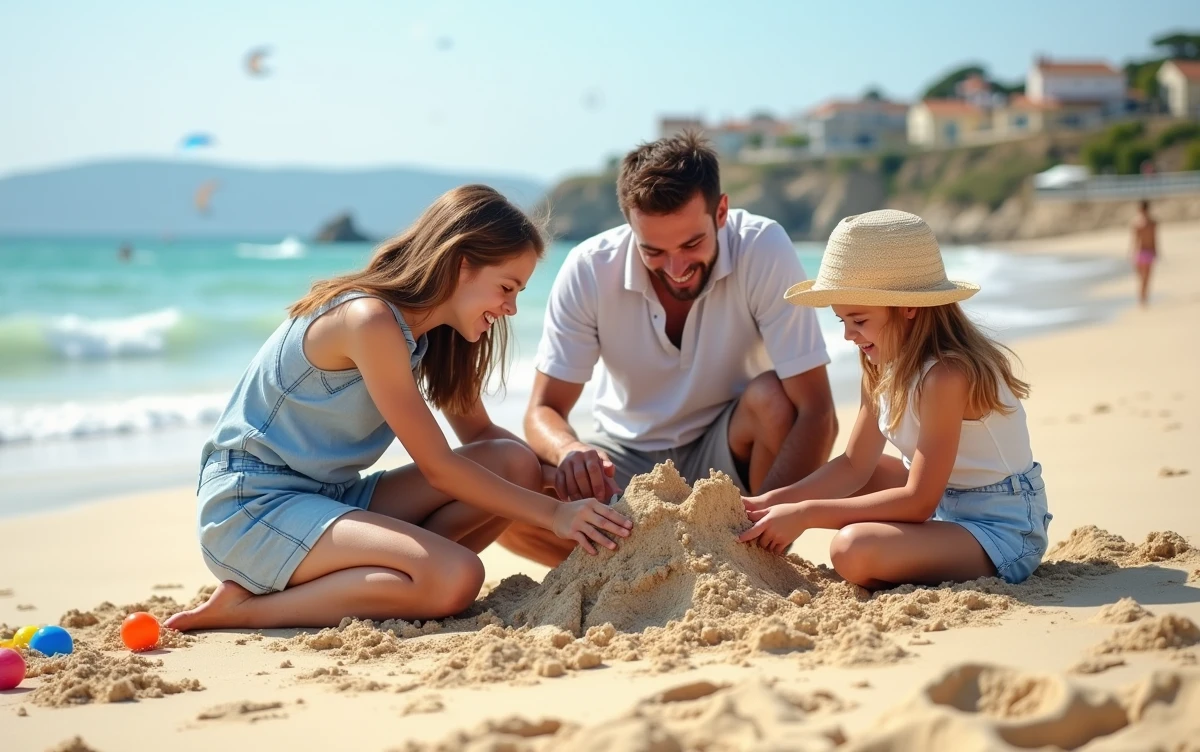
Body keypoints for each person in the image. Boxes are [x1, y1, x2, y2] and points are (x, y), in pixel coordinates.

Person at [167, 185, 632, 631]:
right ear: (462, 264)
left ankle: (405, 579)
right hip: (252, 507)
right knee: (458, 577)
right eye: (507, 287)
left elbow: (480, 437)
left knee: (514, 462)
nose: (511, 308)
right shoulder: (367, 320)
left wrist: (563, 476)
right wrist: (555, 515)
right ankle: (246, 611)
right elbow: (439, 468)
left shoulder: (435, 335)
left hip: (328, 498)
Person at [499, 132, 837, 567]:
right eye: (654, 250)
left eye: (691, 245)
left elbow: (818, 413)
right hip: (622, 461)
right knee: (503, 495)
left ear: (721, 212)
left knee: (775, 398)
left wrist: (769, 517)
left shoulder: (762, 246)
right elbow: (543, 410)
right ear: (630, 226)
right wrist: (570, 452)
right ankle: (629, 564)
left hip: (729, 452)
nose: (676, 269)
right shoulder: (588, 268)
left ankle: (751, 557)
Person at [738, 209, 1051, 588]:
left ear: (908, 307)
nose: (850, 336)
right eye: (842, 322)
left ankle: (910, 552)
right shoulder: (881, 365)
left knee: (851, 549)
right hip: (941, 505)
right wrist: (772, 500)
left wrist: (805, 514)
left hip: (998, 527)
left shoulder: (946, 376)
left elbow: (918, 501)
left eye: (860, 320)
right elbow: (854, 465)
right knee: (869, 473)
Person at [1132, 200, 1158, 308]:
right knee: (1146, 278)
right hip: (1148, 252)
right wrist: (1156, 251)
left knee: (1142, 278)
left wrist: (1132, 254)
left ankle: (1142, 300)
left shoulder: (1136, 223)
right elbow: (1154, 239)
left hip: (1140, 252)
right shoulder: (1153, 223)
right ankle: (1143, 299)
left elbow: (1134, 241)